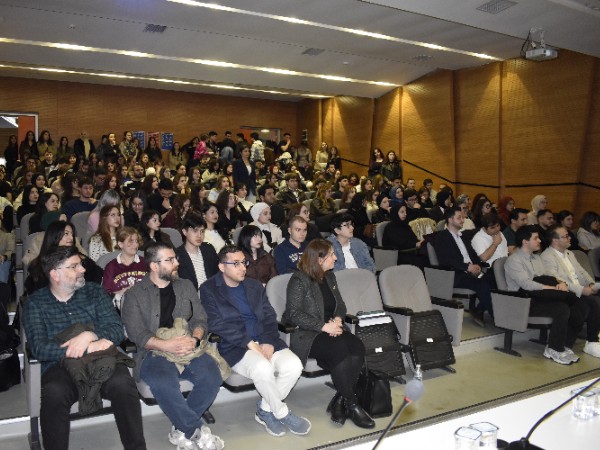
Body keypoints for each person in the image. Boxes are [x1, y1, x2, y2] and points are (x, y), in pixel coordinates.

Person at [23, 246, 147, 450]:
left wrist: (90, 335)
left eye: (80, 264)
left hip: (102, 359)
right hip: (60, 365)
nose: (83, 269)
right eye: (74, 266)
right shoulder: (35, 303)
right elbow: (40, 348)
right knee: (54, 392)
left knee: (123, 385)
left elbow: (116, 329)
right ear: (55, 274)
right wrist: (85, 347)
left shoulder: (94, 292)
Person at [122, 242, 224, 449]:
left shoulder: (185, 285)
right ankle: (195, 432)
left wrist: (194, 339)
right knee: (164, 383)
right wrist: (166, 345)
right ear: (154, 266)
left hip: (188, 346)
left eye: (175, 258)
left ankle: (180, 429)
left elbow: (200, 319)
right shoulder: (134, 294)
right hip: (154, 351)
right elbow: (137, 333)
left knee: (212, 377)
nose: (177, 263)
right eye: (170, 260)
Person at [199, 245, 310, 436]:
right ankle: (282, 413)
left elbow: (269, 316)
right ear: (222, 267)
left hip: (265, 340)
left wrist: (267, 341)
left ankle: (265, 410)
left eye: (244, 262)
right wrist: (250, 344)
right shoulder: (209, 289)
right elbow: (216, 323)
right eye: (236, 264)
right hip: (236, 347)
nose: (243, 268)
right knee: (262, 368)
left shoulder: (254, 286)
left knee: (294, 366)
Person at [284, 239, 374, 429]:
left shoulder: (330, 277)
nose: (335, 258)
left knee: (357, 346)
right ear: (319, 259)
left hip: (332, 328)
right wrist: (323, 327)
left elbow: (340, 305)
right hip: (308, 333)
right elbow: (293, 314)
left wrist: (338, 319)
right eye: (331, 255)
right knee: (340, 350)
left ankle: (340, 400)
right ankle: (352, 404)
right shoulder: (299, 280)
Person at [504, 226, 592, 365]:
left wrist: (560, 283)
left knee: (580, 306)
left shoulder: (537, 258)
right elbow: (527, 285)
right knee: (563, 308)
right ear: (525, 241)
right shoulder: (514, 260)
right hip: (524, 301)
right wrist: (553, 287)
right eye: (535, 238)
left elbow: (549, 277)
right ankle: (553, 348)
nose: (540, 241)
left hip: (541, 297)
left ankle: (564, 345)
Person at [541, 226, 600, 359]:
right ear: (555, 240)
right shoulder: (547, 257)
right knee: (592, 302)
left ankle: (591, 340)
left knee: (594, 299)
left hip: (579, 290)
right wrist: (582, 290)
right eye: (566, 236)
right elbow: (557, 280)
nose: (569, 238)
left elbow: (582, 272)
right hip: (566, 293)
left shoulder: (569, 253)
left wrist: (591, 284)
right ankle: (591, 341)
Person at [434, 207, 494, 327]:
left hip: (470, 270)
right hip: (456, 274)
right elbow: (447, 261)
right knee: (481, 284)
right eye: (459, 218)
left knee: (493, 278)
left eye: (463, 217)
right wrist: (467, 267)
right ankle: (498, 318)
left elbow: (473, 255)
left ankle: (479, 309)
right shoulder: (442, 237)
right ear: (450, 220)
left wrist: (478, 266)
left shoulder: (463, 236)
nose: (463, 220)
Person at [24, 221, 102, 295]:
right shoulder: (42, 263)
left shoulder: (80, 257)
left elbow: (98, 275)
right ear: (54, 236)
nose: (71, 237)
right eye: (66, 234)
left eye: (72, 234)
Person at [102, 227, 147, 311]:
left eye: (136, 241)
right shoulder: (111, 267)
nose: (135, 245)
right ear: (120, 244)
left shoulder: (146, 263)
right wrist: (122, 292)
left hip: (145, 306)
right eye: (131, 241)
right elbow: (105, 294)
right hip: (120, 309)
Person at [175, 213, 219, 290]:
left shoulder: (208, 249)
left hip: (212, 292)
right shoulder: (177, 255)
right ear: (184, 232)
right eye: (195, 231)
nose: (199, 235)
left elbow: (217, 275)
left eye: (202, 231)